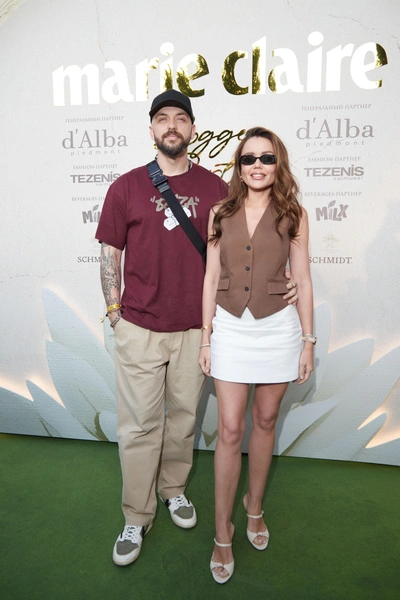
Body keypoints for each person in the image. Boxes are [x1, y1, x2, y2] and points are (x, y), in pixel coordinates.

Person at [96, 92, 299, 567]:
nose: (171, 125)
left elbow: (246, 243)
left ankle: (173, 490)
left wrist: (284, 279)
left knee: (185, 419)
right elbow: (110, 253)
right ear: (151, 129)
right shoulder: (125, 187)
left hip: (197, 329)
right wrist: (114, 312)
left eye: (180, 118)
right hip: (139, 325)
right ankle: (136, 514)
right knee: (140, 425)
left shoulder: (216, 189)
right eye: (162, 118)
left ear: (192, 129)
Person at [199, 126, 315, 584]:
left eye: (267, 157)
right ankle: (222, 532)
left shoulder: (294, 214)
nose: (258, 166)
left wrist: (308, 341)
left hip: (278, 329)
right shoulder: (220, 212)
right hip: (229, 327)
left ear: (278, 162)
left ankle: (254, 507)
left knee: (265, 421)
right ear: (239, 166)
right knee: (230, 428)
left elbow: (302, 279)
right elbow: (211, 278)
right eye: (249, 158)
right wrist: (206, 337)